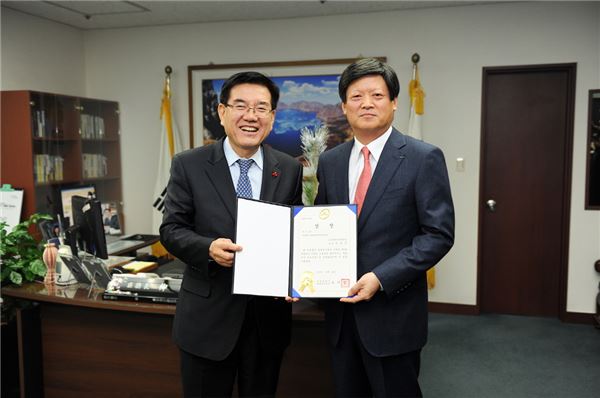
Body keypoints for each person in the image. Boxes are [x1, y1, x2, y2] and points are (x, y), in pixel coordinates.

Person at [314, 58, 455, 397]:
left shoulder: (424, 157)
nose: (366, 103)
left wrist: (381, 277)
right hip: (341, 317)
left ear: (393, 102)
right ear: (344, 106)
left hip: (393, 316)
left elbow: (438, 234)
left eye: (376, 95)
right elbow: (321, 225)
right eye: (356, 96)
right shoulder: (331, 161)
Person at [160, 71, 303, 397]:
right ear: (222, 112)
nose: (251, 116)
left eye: (261, 107)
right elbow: (171, 230)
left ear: (272, 117)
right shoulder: (189, 164)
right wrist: (207, 248)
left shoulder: (290, 168)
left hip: (267, 321)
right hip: (208, 320)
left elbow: (294, 231)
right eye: (240, 105)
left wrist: (297, 273)